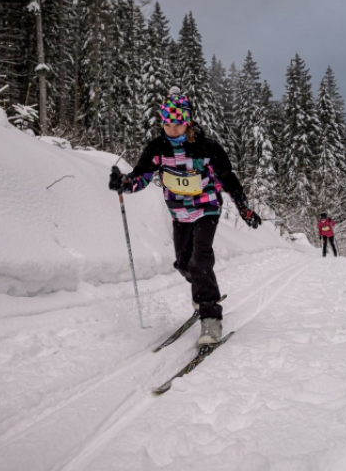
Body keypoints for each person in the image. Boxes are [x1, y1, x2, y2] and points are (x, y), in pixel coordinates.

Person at [108, 87, 261, 346]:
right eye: (167, 124)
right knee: (183, 263)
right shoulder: (158, 148)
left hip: (206, 209)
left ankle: (211, 318)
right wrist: (124, 183)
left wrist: (244, 208)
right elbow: (142, 176)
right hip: (179, 213)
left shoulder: (206, 148)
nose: (172, 129)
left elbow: (228, 179)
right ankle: (201, 287)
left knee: (201, 258)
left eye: (177, 124)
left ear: (188, 121)